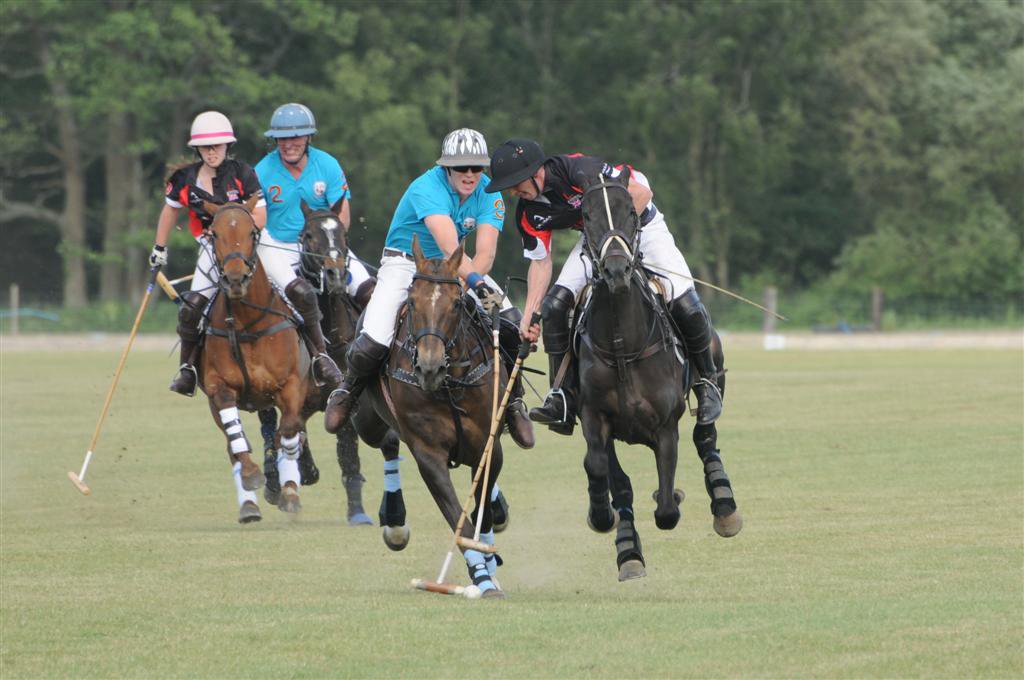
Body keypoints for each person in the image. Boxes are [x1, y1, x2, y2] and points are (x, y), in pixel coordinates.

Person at [484, 138, 724, 435]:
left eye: (515, 183)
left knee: (684, 301)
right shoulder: (528, 213)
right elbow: (541, 263)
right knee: (555, 305)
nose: (511, 192)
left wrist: (618, 239)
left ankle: (708, 382)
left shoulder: (578, 170)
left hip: (643, 226)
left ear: (535, 172)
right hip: (596, 240)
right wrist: (530, 316)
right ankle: (561, 396)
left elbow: (642, 192)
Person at [323, 128, 535, 450]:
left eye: (476, 167)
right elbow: (447, 243)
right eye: (461, 168)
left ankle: (514, 401)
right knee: (375, 339)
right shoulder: (426, 188)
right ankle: (347, 391)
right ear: (446, 168)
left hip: (459, 269)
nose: (469, 174)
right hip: (406, 264)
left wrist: (471, 284)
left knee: (510, 321)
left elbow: (486, 253)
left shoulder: (489, 192)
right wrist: (472, 284)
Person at [254, 102, 374, 389]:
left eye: (296, 137)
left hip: (325, 245)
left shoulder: (327, 165)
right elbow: (257, 218)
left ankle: (375, 360)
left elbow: (343, 215)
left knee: (367, 290)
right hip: (280, 248)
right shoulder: (262, 171)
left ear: (308, 137)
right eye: (282, 138)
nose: (289, 144)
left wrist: (333, 249)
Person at [150, 110, 267, 397]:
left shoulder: (243, 173)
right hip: (211, 247)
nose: (211, 152)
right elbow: (170, 212)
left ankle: (317, 354)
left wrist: (240, 237)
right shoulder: (183, 179)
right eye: (205, 147)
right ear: (198, 149)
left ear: (227, 146)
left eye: (216, 146)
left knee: (291, 289)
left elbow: (261, 214)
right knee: (193, 306)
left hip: (249, 245)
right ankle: (187, 369)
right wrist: (159, 248)